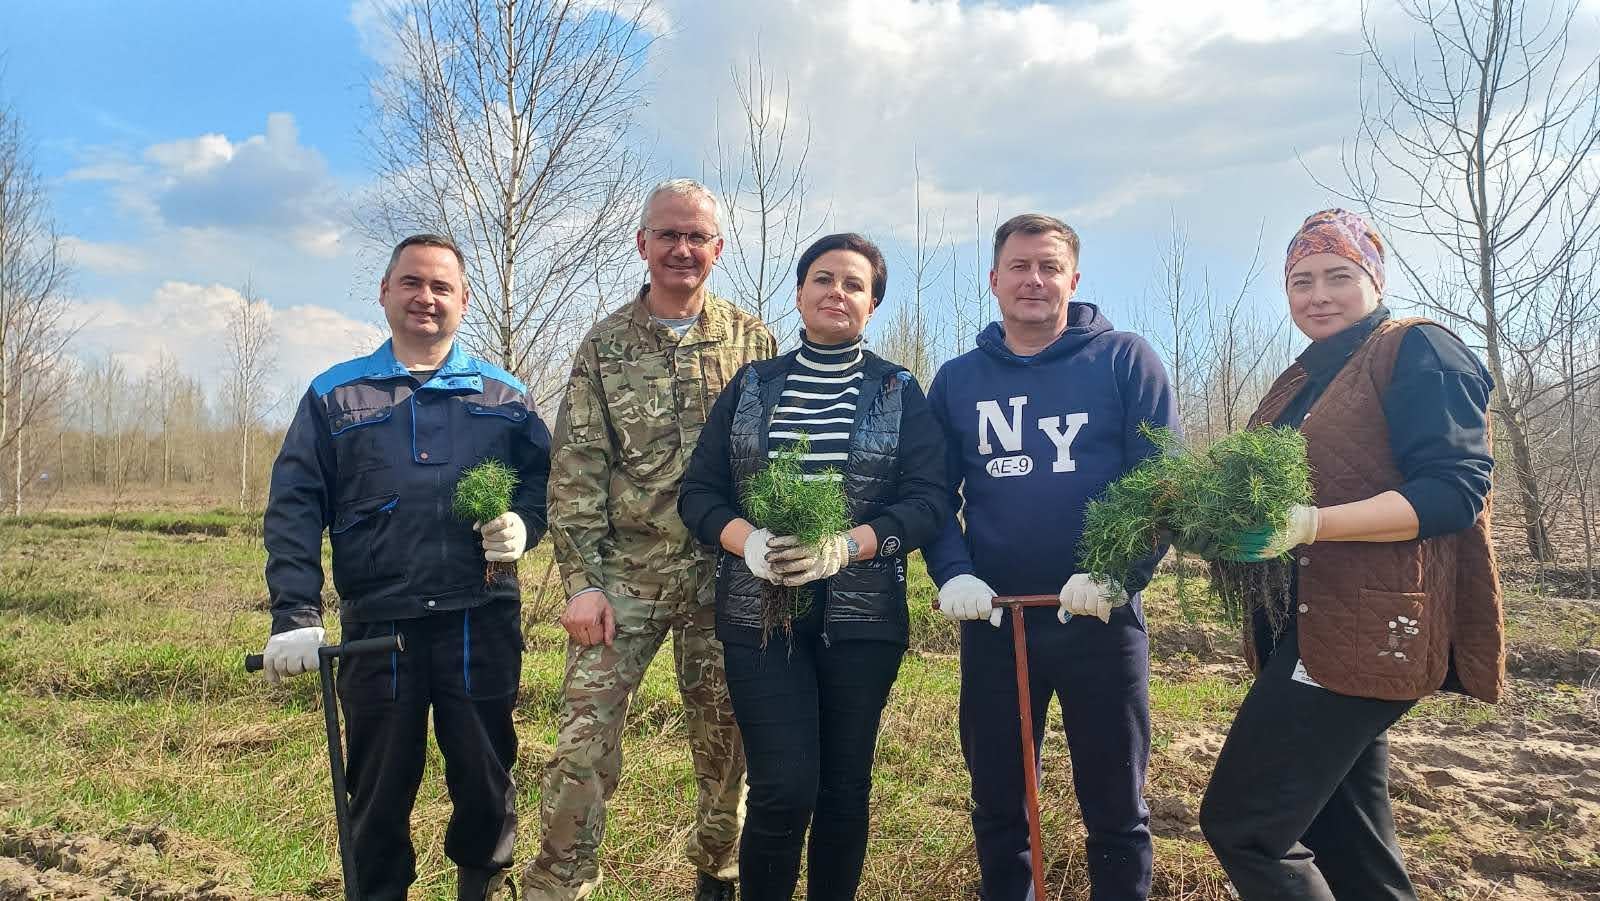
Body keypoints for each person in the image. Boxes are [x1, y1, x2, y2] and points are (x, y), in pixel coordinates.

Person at [1185, 209, 1501, 900]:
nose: (1317, 294)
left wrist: (1313, 523)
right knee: (1346, 838)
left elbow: (1453, 493)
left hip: (1367, 630)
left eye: (1338, 275)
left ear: (1375, 276)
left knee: (1244, 824)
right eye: (1301, 280)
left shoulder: (1418, 349)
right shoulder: (1305, 377)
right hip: (1307, 626)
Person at [260, 233, 552, 901]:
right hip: (377, 627)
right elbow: (295, 508)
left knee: (484, 774)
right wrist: (296, 615)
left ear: (464, 300)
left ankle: (480, 887)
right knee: (379, 783)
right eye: (412, 283)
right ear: (386, 292)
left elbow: (545, 483)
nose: (426, 297)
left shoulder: (505, 396)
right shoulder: (335, 396)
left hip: (479, 620)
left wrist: (525, 525)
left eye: (441, 286)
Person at [677, 232, 950, 900]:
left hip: (863, 622)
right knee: (782, 786)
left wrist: (847, 544)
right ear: (799, 294)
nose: (838, 292)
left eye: (855, 284)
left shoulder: (896, 390)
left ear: (873, 304)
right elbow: (699, 493)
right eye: (823, 278)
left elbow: (930, 501)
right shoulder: (752, 387)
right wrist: (747, 542)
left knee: (843, 787)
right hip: (758, 616)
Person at [525, 178, 776, 901]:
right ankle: (561, 882)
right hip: (623, 578)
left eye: (696, 237)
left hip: (725, 575)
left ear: (718, 249)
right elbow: (576, 468)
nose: (682, 249)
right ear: (642, 244)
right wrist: (581, 581)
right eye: (667, 234)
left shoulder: (752, 341)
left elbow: (769, 462)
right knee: (582, 741)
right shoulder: (605, 344)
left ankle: (718, 873)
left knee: (727, 742)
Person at [923, 213, 1175, 900]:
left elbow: (1161, 486)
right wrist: (955, 572)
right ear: (994, 277)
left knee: (1116, 807)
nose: (1035, 280)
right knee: (1000, 801)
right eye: (1020, 266)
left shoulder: (1125, 360)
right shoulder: (956, 381)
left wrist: (1119, 575)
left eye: (1050, 266)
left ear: (1073, 277)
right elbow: (931, 494)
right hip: (999, 619)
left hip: (1100, 616)